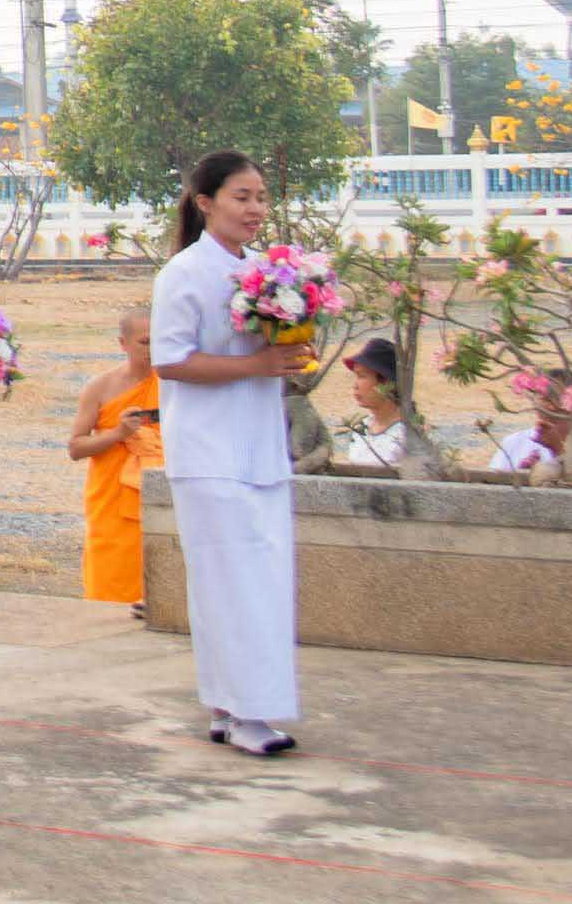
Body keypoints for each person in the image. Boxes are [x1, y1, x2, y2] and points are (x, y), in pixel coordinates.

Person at [152, 150, 305, 758]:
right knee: (234, 584)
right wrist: (255, 364)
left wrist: (289, 348)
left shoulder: (268, 271)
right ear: (205, 201)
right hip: (210, 452)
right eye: (242, 197)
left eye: (262, 198)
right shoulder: (185, 273)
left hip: (259, 448)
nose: (255, 209)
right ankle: (248, 715)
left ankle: (228, 705)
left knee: (259, 581)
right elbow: (169, 360)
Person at [70, 302, 160, 604]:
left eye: (159, 340)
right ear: (123, 343)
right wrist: (118, 434)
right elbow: (76, 447)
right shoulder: (101, 387)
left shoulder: (176, 385)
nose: (152, 349)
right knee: (112, 582)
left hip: (162, 494)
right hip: (113, 498)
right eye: (145, 342)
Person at [330, 335, 435, 472]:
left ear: (386, 382)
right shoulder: (361, 428)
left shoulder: (408, 434)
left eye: (362, 376)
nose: (355, 385)